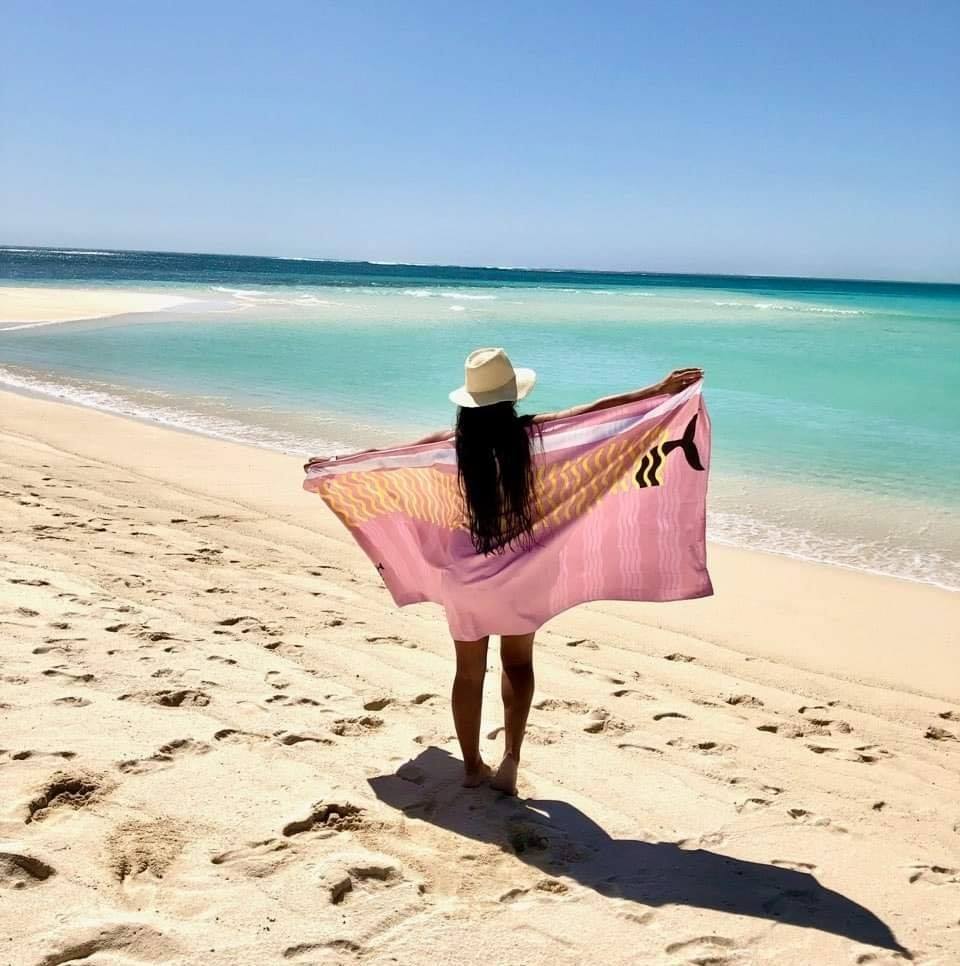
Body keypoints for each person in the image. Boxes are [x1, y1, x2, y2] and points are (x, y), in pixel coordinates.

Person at [310, 348, 703, 794]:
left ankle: (473, 766)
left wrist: (333, 467)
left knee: (468, 673)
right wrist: (657, 391)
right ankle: (511, 758)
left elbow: (389, 461)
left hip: (466, 579)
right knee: (518, 663)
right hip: (524, 572)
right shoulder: (535, 438)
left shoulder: (448, 447)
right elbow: (595, 417)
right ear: (510, 398)